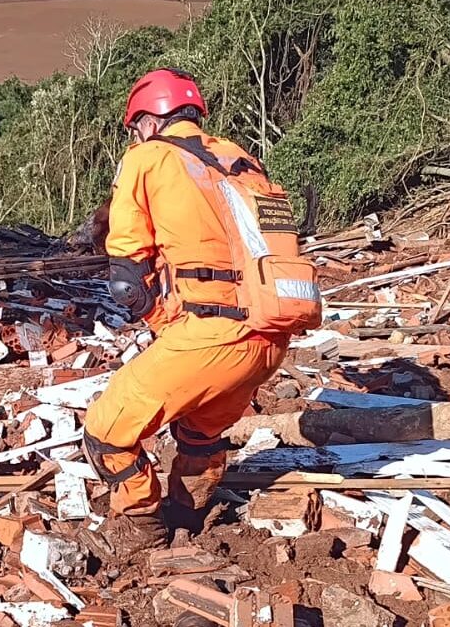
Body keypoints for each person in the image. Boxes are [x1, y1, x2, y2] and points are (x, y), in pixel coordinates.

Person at [82, 68, 320, 549]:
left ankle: (143, 536)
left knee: (106, 432)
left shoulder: (146, 159)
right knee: (198, 435)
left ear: (148, 121)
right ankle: (190, 526)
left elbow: (127, 279)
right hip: (272, 336)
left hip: (213, 336)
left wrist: (164, 324)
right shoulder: (243, 160)